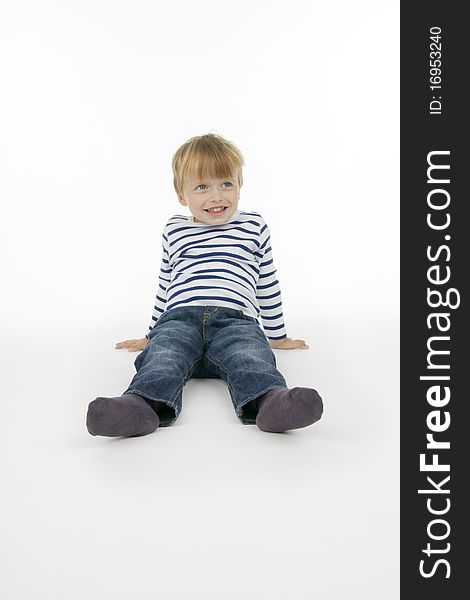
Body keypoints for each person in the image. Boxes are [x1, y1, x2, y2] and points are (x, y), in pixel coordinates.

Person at [86, 133, 323, 437]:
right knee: (162, 358)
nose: (216, 196)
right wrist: (151, 333)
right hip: (179, 319)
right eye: (202, 187)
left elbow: (267, 281)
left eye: (226, 184)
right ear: (182, 195)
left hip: (235, 320)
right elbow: (166, 283)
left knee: (250, 357)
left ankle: (271, 402)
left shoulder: (253, 226)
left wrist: (276, 335)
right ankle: (140, 406)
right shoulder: (175, 230)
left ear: (240, 185)